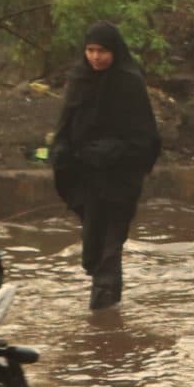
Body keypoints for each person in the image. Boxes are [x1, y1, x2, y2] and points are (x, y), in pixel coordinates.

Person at [50, 21, 162, 311]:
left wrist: (112, 151)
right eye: (90, 50)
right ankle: (106, 307)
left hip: (120, 180)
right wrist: (61, 152)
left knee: (110, 250)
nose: (95, 57)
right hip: (86, 179)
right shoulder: (79, 79)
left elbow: (145, 138)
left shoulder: (129, 82)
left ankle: (103, 317)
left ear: (114, 51)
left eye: (102, 51)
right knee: (93, 251)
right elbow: (65, 126)